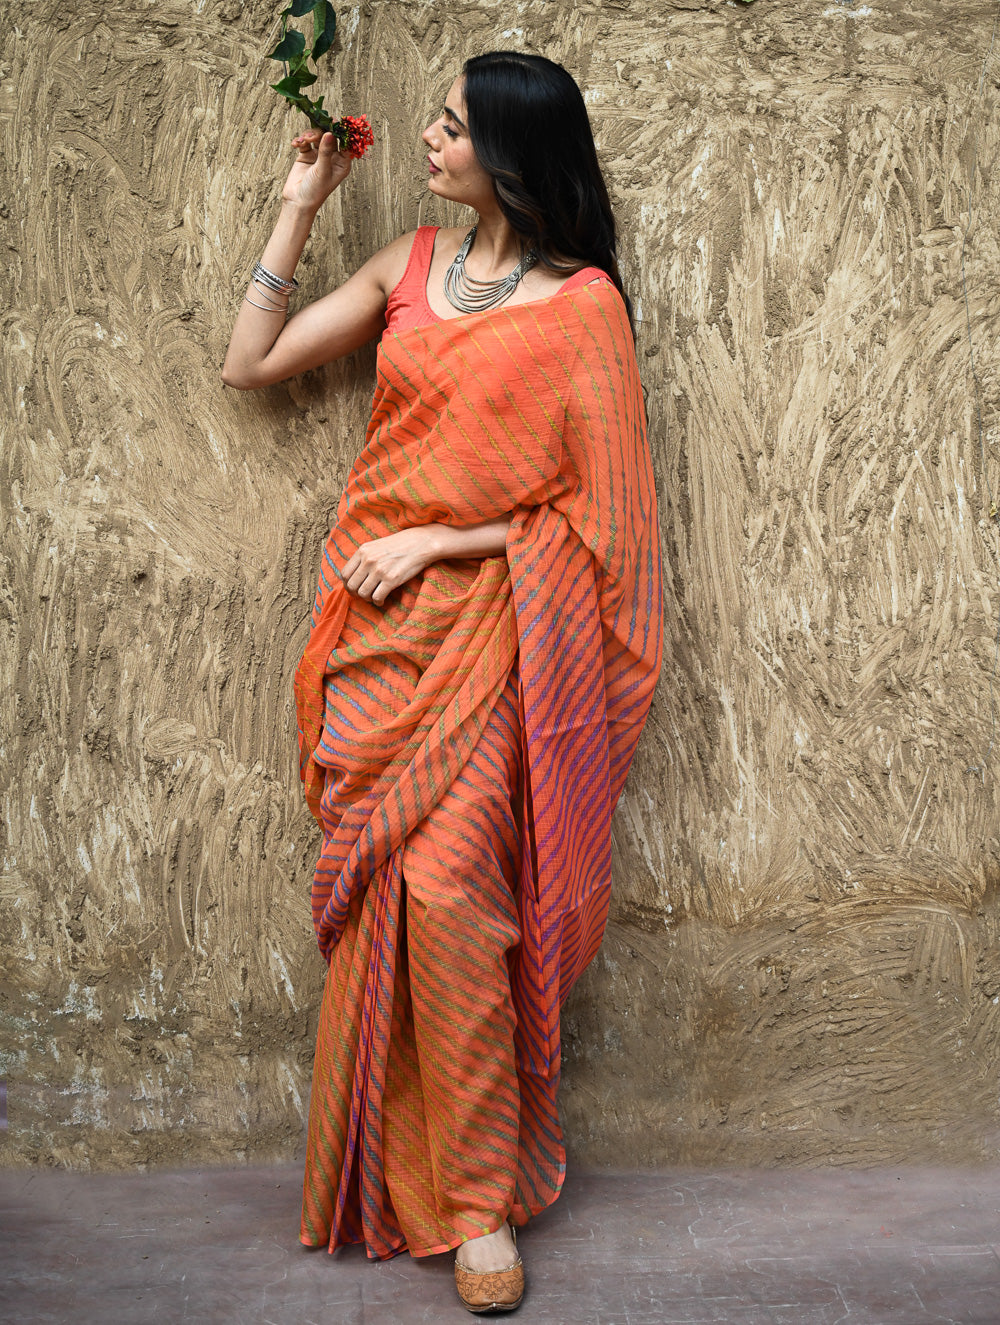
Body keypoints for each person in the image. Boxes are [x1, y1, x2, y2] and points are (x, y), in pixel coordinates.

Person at [221, 49, 663, 1315]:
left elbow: (604, 521)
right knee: (383, 899)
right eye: (436, 120)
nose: (429, 136)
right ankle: (395, 1168)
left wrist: (447, 537)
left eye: (454, 126)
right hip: (371, 638)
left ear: (513, 154)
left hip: (498, 634)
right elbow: (251, 363)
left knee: (452, 888)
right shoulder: (406, 269)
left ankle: (476, 1203)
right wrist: (299, 201)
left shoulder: (583, 309)